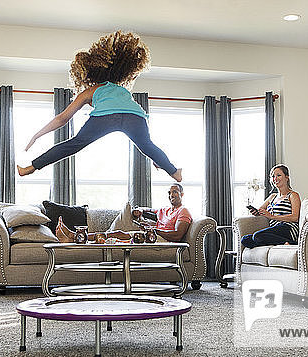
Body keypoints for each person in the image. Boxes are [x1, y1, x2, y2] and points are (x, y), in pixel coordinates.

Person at [17, 30, 182, 182]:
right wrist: (157, 159)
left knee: (75, 144)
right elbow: (126, 114)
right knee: (147, 145)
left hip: (106, 117)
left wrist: (37, 135)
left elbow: (62, 118)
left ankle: (29, 168)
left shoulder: (89, 91)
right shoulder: (121, 89)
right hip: (136, 115)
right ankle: (174, 172)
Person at [56, 183, 192, 243]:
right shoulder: (165, 210)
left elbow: (177, 235)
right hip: (151, 235)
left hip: (161, 239)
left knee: (118, 234)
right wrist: (139, 210)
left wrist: (153, 230)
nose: (171, 195)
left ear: (182, 194)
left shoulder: (183, 211)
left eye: (175, 192)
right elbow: (147, 209)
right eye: (169, 192)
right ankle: (74, 237)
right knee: (113, 237)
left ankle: (75, 236)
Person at [241, 164, 301, 248]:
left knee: (257, 236)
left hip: (287, 228)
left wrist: (272, 217)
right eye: (273, 176)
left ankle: (292, 244)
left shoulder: (293, 195)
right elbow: (260, 210)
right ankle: (282, 243)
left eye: (278, 175)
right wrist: (256, 212)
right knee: (245, 239)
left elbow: (295, 217)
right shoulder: (272, 197)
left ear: (286, 177)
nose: (275, 178)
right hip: (274, 229)